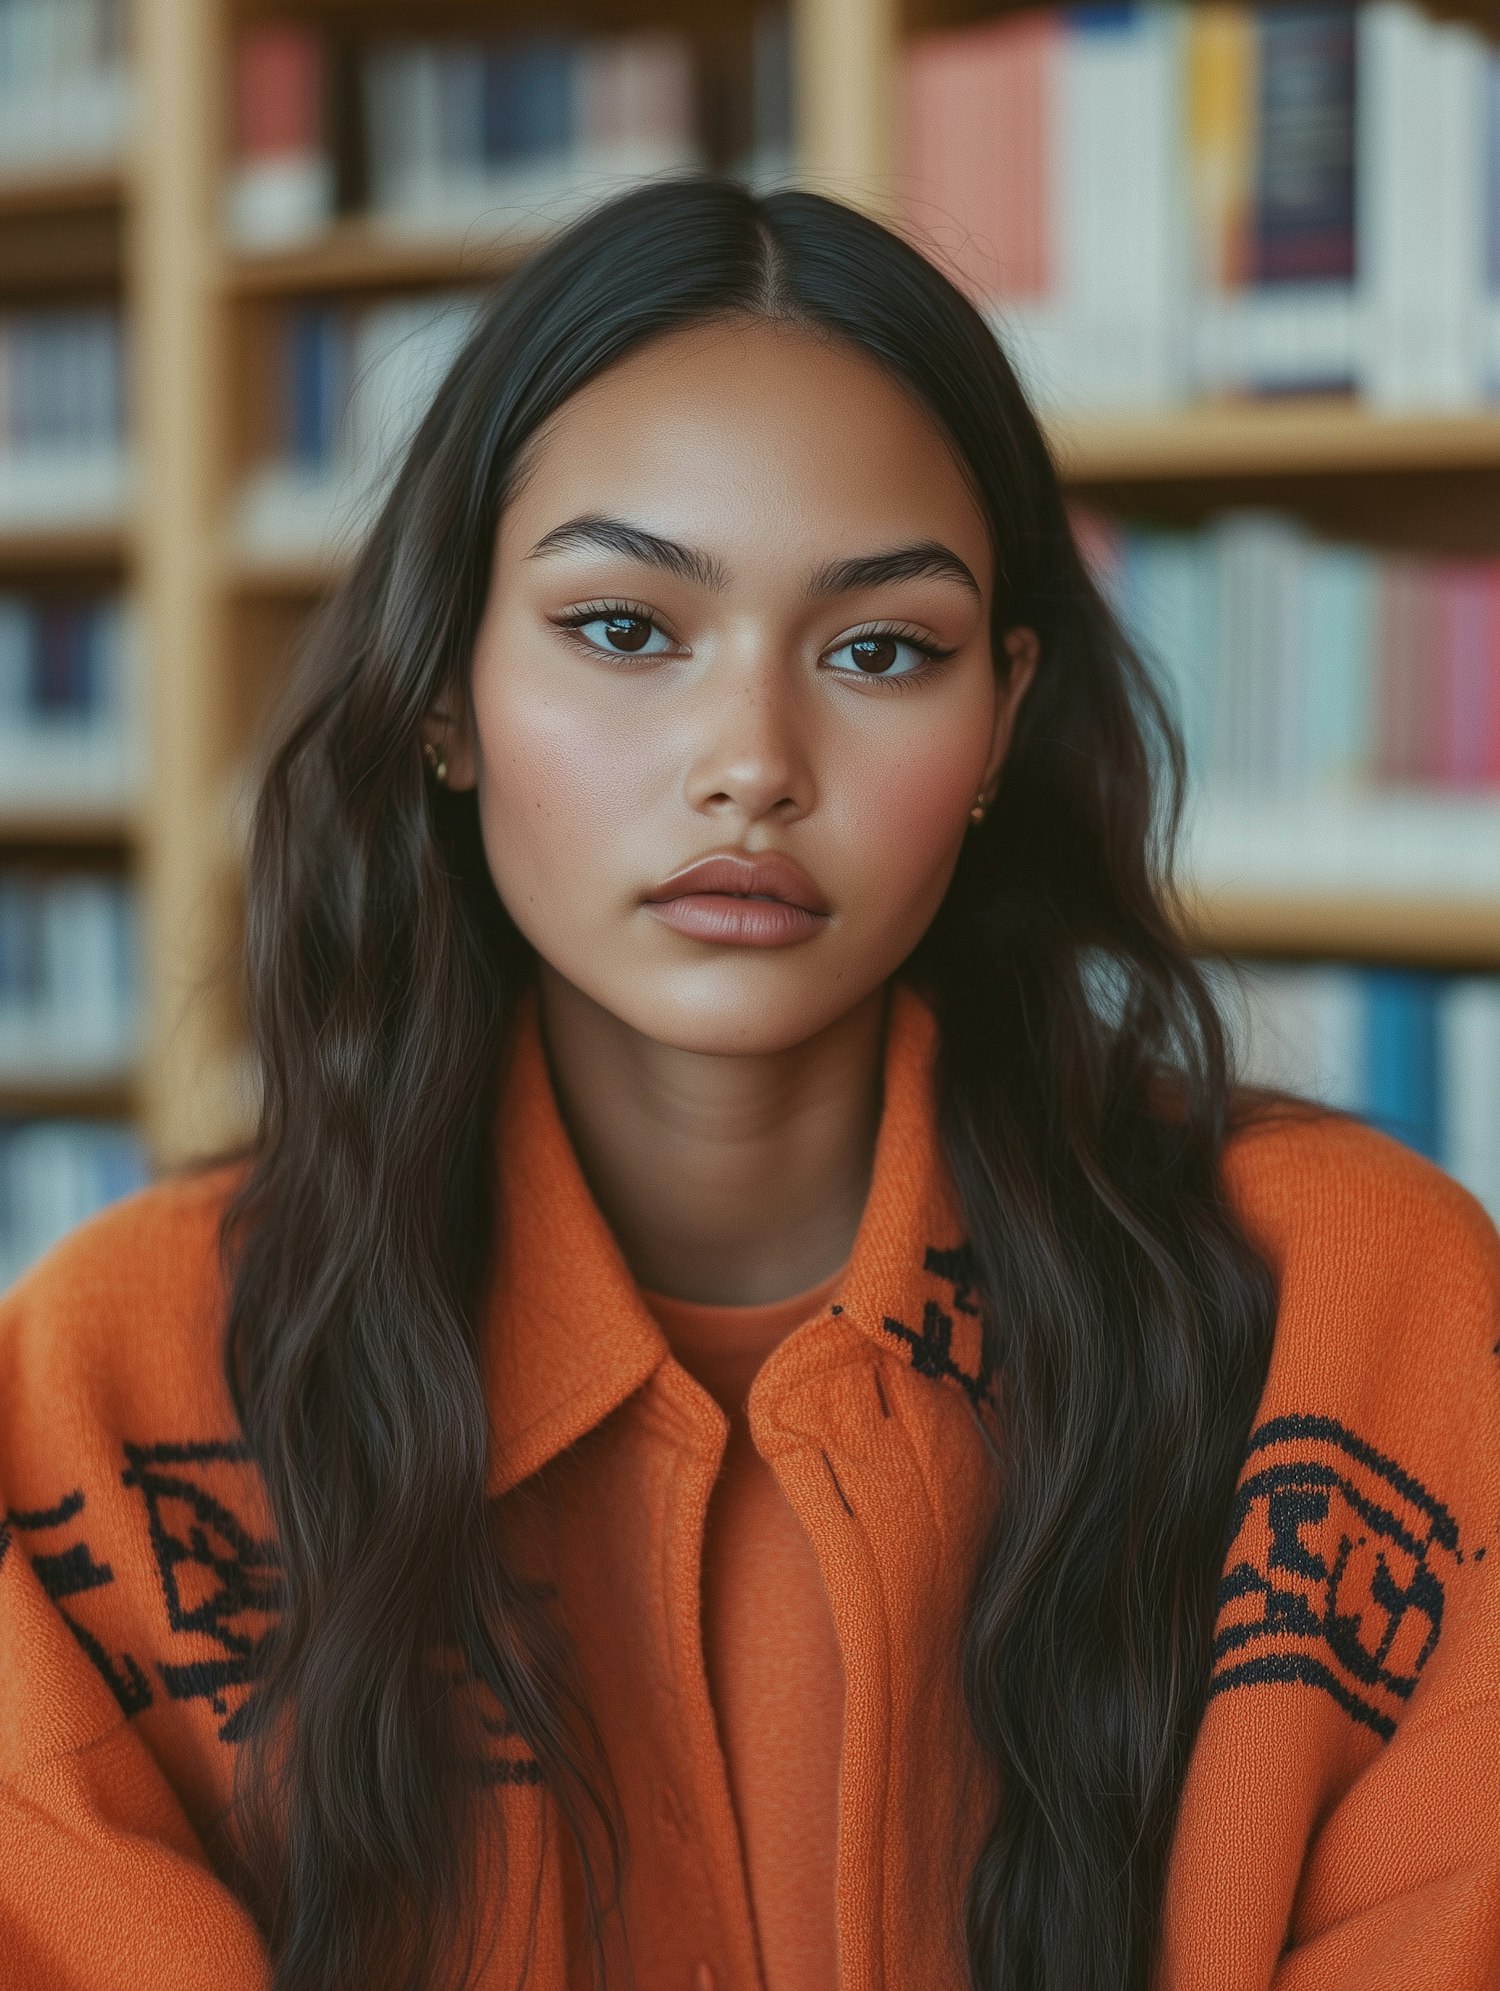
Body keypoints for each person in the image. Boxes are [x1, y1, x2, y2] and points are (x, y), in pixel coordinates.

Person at [1, 177, 1496, 1991]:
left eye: (882, 651)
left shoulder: (1361, 1308)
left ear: (1002, 724)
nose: (751, 764)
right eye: (625, 628)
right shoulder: (110, 1383)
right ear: (445, 692)